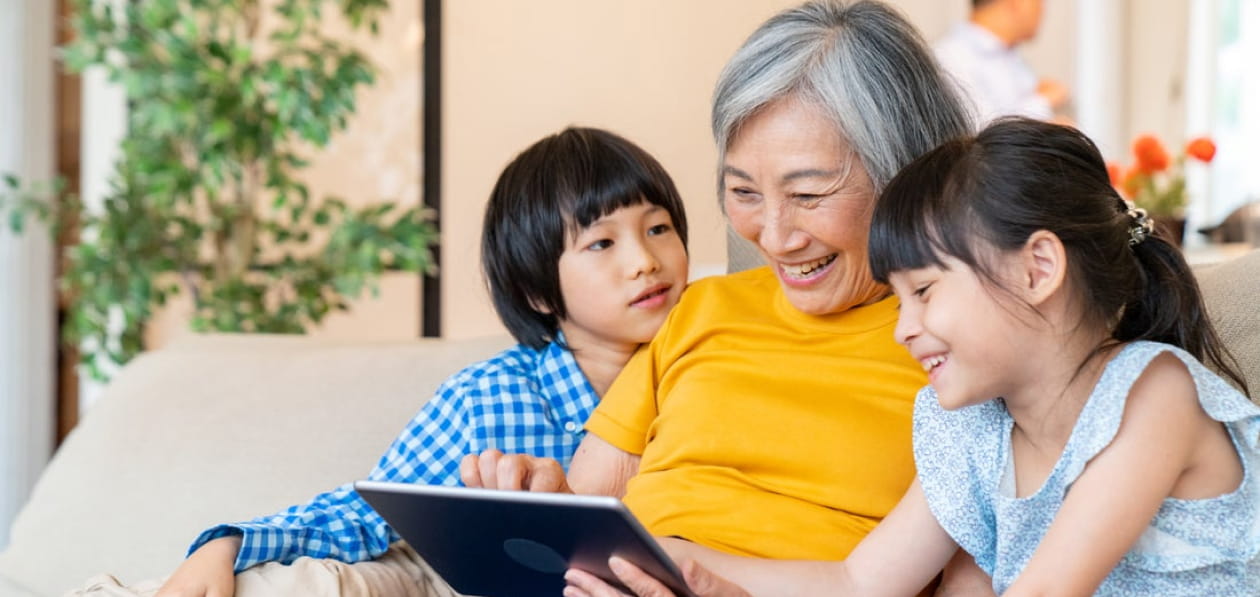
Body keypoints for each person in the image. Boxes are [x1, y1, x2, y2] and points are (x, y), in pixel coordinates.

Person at [565, 118, 1260, 597]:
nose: (904, 328)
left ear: (1038, 267)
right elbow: (858, 582)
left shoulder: (1153, 393)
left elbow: (1049, 587)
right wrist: (669, 564)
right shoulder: (970, 426)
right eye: (897, 300)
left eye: (924, 291)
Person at [464, 0, 984, 589]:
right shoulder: (697, 309)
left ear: (904, 172)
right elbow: (590, 506)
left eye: (808, 195)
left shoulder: (964, 347)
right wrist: (546, 504)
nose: (776, 236)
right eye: (743, 192)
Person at [152, 126, 691, 597]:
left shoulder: (713, 376)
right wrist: (229, 544)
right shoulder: (489, 399)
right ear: (537, 291)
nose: (645, 261)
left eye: (658, 229)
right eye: (601, 244)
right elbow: (367, 515)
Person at [933, 0, 1069, 126]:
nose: (1043, 10)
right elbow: (979, 137)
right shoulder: (950, 58)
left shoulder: (1011, 59)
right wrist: (1041, 100)